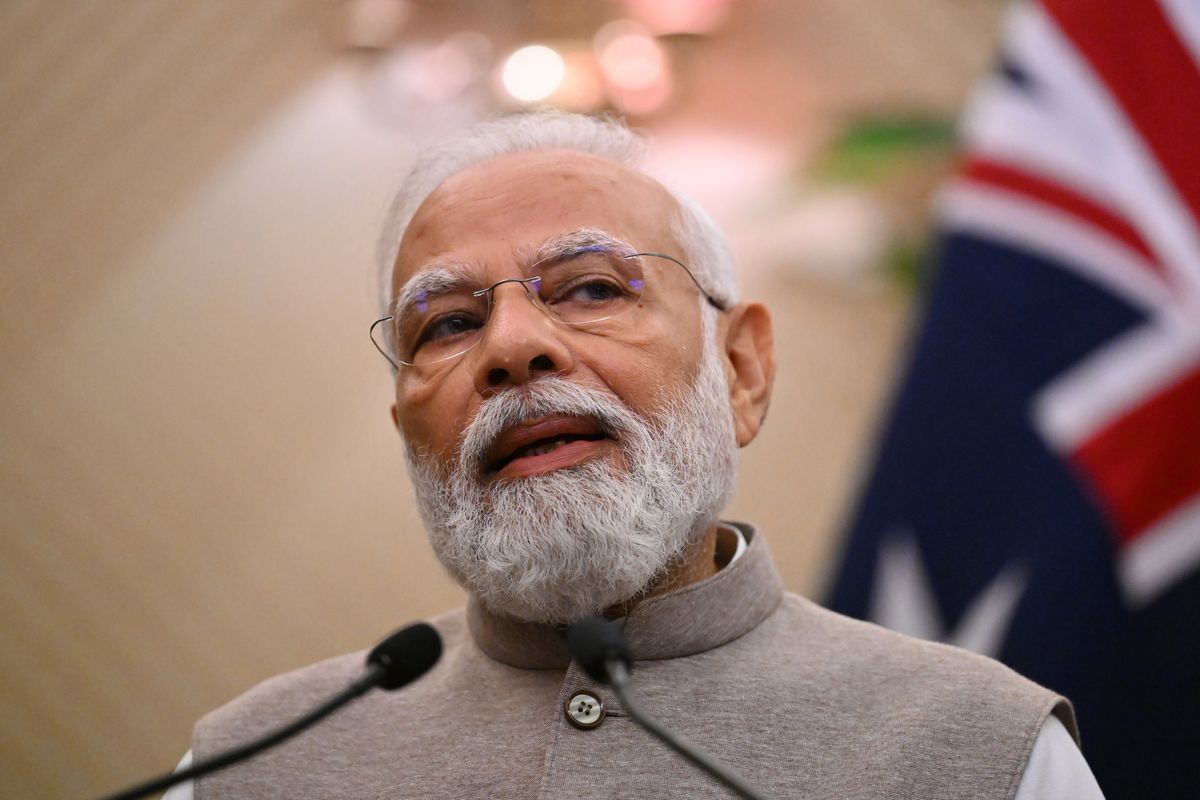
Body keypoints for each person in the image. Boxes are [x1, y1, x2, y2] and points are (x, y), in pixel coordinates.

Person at [170, 111, 1104, 798]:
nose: (511, 347)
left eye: (588, 289)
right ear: (411, 434)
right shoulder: (247, 766)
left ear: (740, 370)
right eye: (449, 322)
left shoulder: (985, 752)